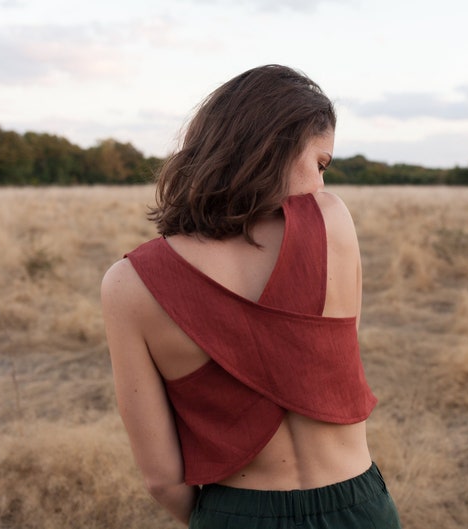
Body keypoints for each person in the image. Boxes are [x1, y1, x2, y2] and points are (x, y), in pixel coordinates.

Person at [101, 64, 401, 528]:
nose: (321, 185)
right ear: (272, 147)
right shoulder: (332, 220)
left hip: (235, 513)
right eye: (319, 165)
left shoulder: (129, 284)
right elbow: (324, 369)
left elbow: (161, 479)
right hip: (357, 505)